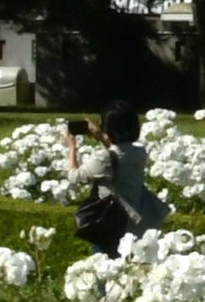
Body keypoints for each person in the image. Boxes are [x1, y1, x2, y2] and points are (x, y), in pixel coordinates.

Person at [62, 103, 169, 255]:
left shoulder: (103, 158)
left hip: (111, 224)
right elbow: (118, 154)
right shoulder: (140, 152)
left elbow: (74, 176)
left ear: (108, 128)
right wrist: (102, 136)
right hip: (136, 220)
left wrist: (72, 147)